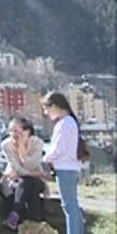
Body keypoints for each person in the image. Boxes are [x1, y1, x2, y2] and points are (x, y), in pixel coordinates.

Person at [42, 92, 85, 234]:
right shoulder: (70, 121)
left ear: (54, 106)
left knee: (69, 206)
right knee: (73, 204)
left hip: (64, 168)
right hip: (71, 168)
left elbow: (58, 148)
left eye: (47, 109)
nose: (46, 113)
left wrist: (46, 158)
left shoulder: (64, 123)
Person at [0, 117, 48, 230]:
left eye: (16, 131)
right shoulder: (6, 145)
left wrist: (21, 148)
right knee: (29, 184)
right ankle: (36, 222)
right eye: (10, 131)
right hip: (16, 181)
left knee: (29, 182)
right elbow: (16, 167)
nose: (13, 134)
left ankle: (14, 216)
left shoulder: (37, 143)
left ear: (27, 132)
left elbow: (32, 164)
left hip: (35, 180)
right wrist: (33, 174)